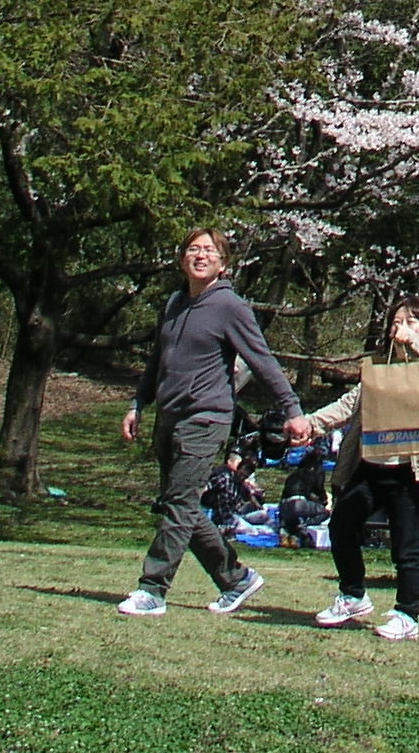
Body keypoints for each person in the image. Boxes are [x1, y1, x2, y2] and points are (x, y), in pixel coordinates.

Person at [116, 229, 309, 618]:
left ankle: (152, 589)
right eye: (193, 249)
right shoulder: (174, 303)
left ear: (223, 263)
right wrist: (138, 404)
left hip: (206, 418)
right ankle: (236, 578)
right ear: (182, 257)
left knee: (178, 503)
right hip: (169, 418)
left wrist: (292, 408)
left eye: (209, 251)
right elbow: (157, 362)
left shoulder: (230, 306)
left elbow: (261, 359)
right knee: (179, 505)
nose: (199, 256)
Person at [309, 295, 419, 640]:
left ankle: (408, 614)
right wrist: (310, 424)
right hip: (372, 463)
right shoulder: (378, 367)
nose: (400, 329)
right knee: (342, 524)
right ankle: (353, 594)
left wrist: (415, 343)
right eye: (395, 322)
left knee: (407, 544)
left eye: (410, 322)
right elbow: (350, 404)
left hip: (411, 467)